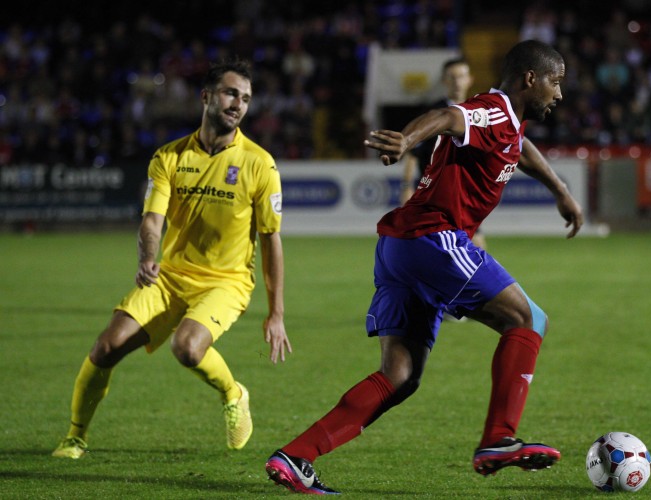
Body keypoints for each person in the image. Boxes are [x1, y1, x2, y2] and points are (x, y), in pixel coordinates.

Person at [264, 40, 583, 494]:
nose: (560, 93)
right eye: (556, 81)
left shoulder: (508, 124)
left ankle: (296, 456)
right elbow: (449, 117)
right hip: (432, 238)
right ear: (530, 78)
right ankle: (498, 438)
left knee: (401, 376)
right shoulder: (491, 108)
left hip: (399, 247)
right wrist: (407, 138)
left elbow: (521, 147)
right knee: (528, 318)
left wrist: (559, 190)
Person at [52, 59, 292, 459]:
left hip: (225, 282)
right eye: (231, 93)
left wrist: (277, 313)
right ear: (206, 97)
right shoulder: (169, 157)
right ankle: (75, 436)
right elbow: (151, 222)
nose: (239, 104)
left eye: (246, 98)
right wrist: (148, 257)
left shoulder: (259, 163)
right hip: (170, 277)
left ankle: (234, 394)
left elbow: (271, 240)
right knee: (105, 348)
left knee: (187, 347)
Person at [400, 57, 487, 251]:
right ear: (444, 81)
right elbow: (413, 152)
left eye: (461, 76)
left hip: (465, 196)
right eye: (452, 77)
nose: (457, 82)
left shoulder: (479, 112)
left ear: (470, 79)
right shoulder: (434, 113)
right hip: (435, 195)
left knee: (478, 251)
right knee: (440, 251)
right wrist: (407, 186)